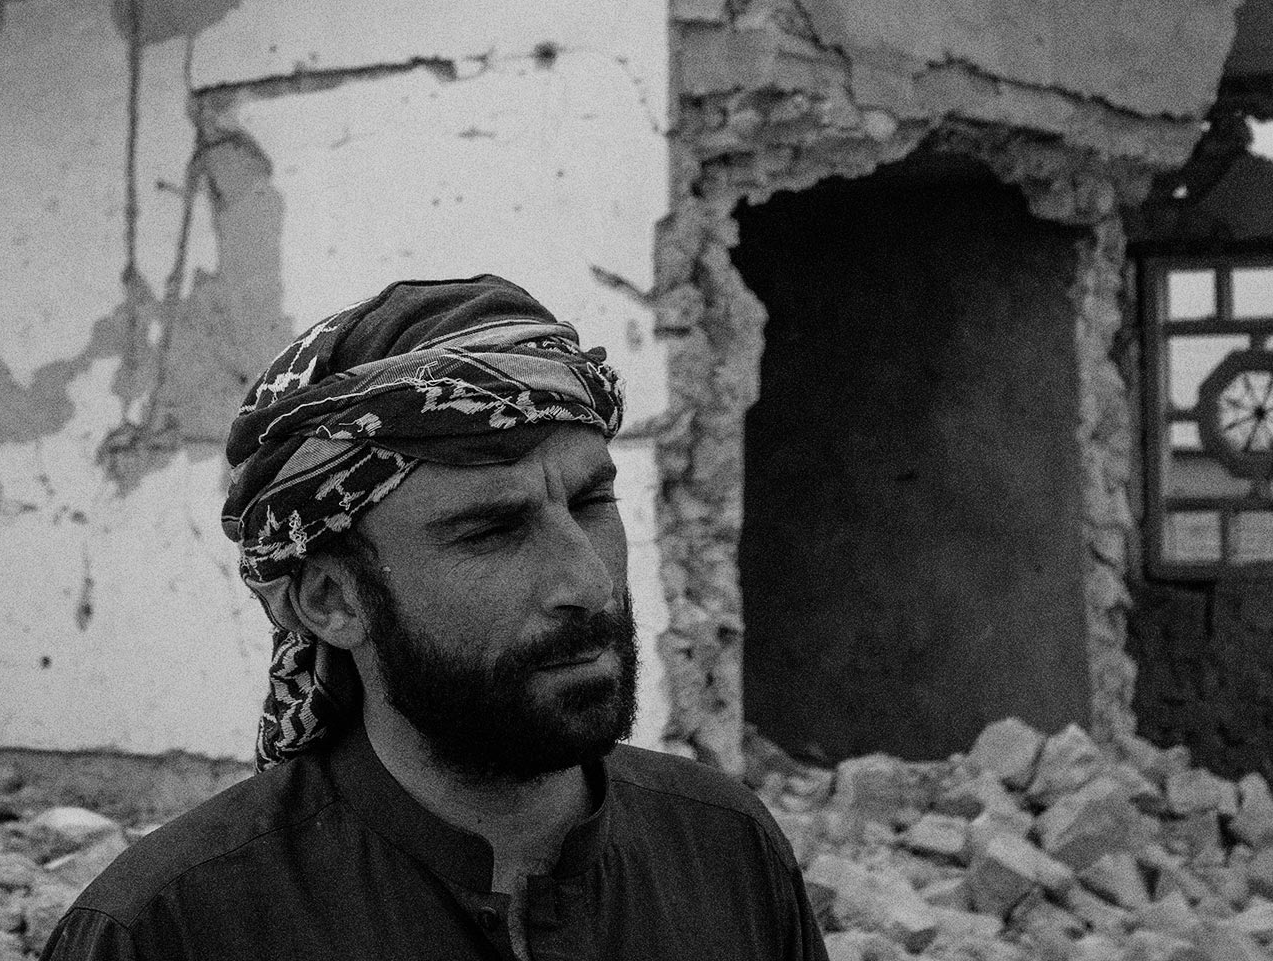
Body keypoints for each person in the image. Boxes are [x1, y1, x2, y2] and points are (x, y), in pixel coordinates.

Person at [40, 275, 819, 961]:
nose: (587, 581)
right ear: (333, 600)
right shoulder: (168, 930)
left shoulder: (726, 854)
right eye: (491, 531)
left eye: (591, 503)